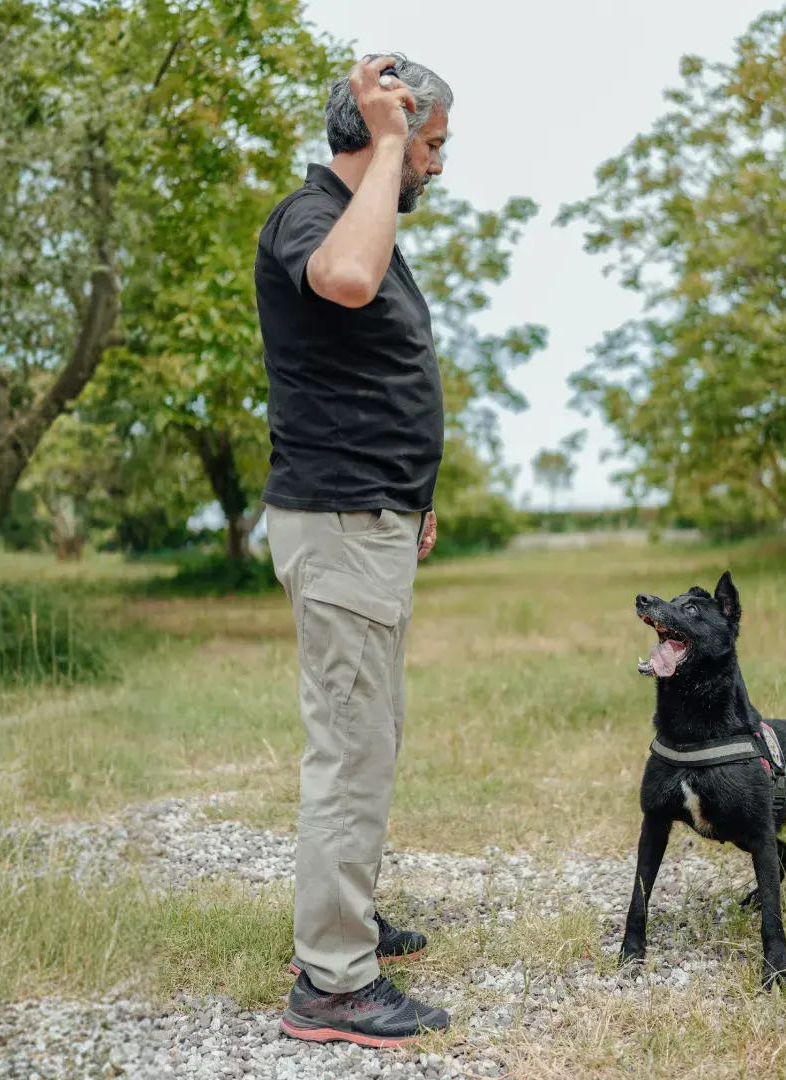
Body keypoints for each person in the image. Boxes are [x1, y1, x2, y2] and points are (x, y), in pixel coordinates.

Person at [253, 53, 453, 1048]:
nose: (436, 169)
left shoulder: (353, 213)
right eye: (431, 146)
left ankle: (343, 923)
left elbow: (374, 370)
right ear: (382, 137)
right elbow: (345, 279)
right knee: (349, 748)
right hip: (337, 523)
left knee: (369, 735)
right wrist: (384, 144)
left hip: (370, 518)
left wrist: (415, 492)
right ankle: (332, 981)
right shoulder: (310, 219)